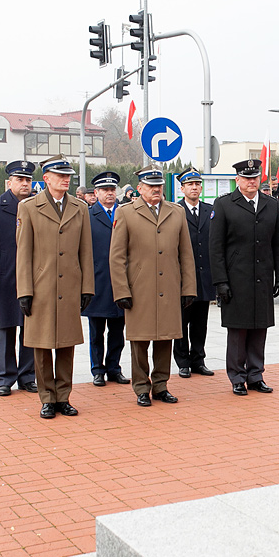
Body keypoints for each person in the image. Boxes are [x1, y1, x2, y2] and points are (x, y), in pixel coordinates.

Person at [16, 155, 95, 418]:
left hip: (70, 286)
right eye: (60, 175)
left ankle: (64, 396)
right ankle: (47, 398)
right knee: (41, 345)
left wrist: (87, 287)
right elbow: (23, 253)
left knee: (66, 344)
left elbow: (86, 251)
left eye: (68, 175)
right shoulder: (29, 207)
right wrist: (24, 291)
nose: (66, 179)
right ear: (46, 178)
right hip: (41, 286)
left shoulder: (79, 208)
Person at [111, 167, 196, 407]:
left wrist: (188, 288)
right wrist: (122, 291)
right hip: (139, 289)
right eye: (150, 186)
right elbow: (117, 257)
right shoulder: (126, 212)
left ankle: (161, 385)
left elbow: (186, 254)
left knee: (165, 339)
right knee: (139, 341)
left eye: (159, 185)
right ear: (139, 188)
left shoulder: (176, 212)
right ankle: (141, 387)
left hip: (169, 286)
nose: (156, 189)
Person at [209, 159, 279, 396]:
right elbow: (216, 247)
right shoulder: (224, 205)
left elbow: (278, 244)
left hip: (262, 277)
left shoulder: (271, 205)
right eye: (247, 178)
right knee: (238, 330)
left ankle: (255, 375)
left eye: (255, 178)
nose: (252, 182)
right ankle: (236, 376)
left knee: (259, 328)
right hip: (236, 278)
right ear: (237, 180)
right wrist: (220, 281)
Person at [0, 160, 38, 397]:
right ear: (9, 182)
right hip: (5, 276)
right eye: (20, 180)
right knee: (5, 327)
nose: (25, 184)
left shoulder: (36, 206)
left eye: (28, 180)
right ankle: (4, 378)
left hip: (33, 276)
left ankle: (28, 376)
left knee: (30, 327)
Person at [82, 171, 131, 386]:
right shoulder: (87, 215)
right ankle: (97, 369)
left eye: (112, 190)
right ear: (96, 193)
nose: (109, 194)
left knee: (118, 331)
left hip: (120, 282)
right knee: (96, 332)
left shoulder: (125, 213)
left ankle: (114, 367)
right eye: (105, 190)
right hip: (97, 281)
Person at [174, 167, 215, 378]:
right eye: (190, 184)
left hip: (205, 276)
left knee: (201, 322)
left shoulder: (210, 210)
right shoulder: (175, 211)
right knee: (181, 322)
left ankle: (198, 359)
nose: (194, 187)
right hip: (183, 278)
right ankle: (182, 361)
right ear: (182, 188)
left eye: (197, 184)